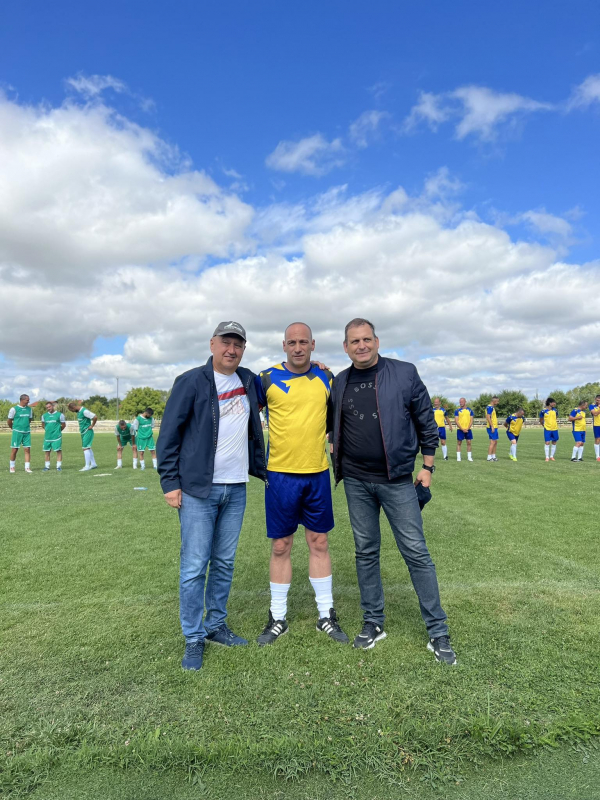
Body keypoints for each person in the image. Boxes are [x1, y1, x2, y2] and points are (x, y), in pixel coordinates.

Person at [328, 318, 456, 665]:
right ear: (345, 347)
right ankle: (373, 622)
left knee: (416, 552)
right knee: (366, 551)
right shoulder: (339, 381)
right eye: (354, 341)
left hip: (397, 480)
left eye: (366, 339)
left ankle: (438, 631)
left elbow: (426, 420)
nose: (361, 345)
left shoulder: (404, 372)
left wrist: (427, 467)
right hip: (356, 481)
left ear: (377, 341)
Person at [157, 321, 267, 671]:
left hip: (236, 488)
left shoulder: (249, 381)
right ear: (212, 344)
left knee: (224, 562)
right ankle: (193, 637)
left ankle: (216, 625)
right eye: (225, 342)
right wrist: (169, 482)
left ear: (243, 349)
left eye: (238, 344)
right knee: (194, 566)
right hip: (197, 489)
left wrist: (317, 366)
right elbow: (169, 435)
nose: (231, 350)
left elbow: (284, 383)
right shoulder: (191, 381)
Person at [255, 322, 349, 647]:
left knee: (319, 542)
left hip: (316, 473)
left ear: (313, 344)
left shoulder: (327, 377)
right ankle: (277, 617)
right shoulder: (266, 379)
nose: (298, 347)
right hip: (279, 475)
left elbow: (339, 418)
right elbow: (242, 413)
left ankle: (326, 614)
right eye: (292, 342)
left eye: (303, 342)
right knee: (281, 545)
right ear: (284, 345)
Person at [67, 402, 98, 471]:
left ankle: (87, 466)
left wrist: (92, 425)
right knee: (88, 448)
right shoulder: (79, 412)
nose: (72, 412)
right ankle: (93, 464)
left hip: (87, 431)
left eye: (71, 410)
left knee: (85, 448)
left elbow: (95, 417)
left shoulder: (84, 411)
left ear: (73, 408)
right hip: (83, 432)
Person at [8, 394, 34, 473]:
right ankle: (12, 467)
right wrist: (13, 428)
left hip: (27, 432)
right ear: (22, 400)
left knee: (27, 449)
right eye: (27, 400)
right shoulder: (14, 409)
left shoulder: (29, 409)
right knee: (14, 450)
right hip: (17, 432)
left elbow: (29, 420)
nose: (28, 401)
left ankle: (27, 468)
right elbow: (9, 421)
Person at [42, 402, 66, 471]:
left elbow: (63, 425)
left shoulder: (60, 415)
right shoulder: (44, 416)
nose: (48, 408)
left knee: (58, 451)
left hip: (57, 437)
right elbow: (43, 425)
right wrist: (48, 430)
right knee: (47, 451)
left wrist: (58, 431)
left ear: (53, 406)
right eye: (47, 407)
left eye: (49, 407)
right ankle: (47, 466)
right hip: (47, 437)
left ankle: (58, 466)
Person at [539, 397, 559, 461]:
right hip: (547, 429)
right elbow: (541, 420)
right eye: (553, 402)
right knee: (547, 442)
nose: (554, 403)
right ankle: (547, 457)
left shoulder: (555, 410)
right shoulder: (543, 411)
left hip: (555, 428)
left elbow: (556, 417)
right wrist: (544, 425)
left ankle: (551, 456)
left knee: (554, 442)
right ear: (550, 403)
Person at [486, 396, 500, 462]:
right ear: (494, 401)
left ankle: (493, 456)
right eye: (497, 401)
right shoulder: (490, 407)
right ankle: (489, 457)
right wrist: (492, 426)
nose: (498, 402)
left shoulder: (492, 408)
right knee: (492, 442)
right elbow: (488, 416)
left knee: (495, 442)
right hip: (492, 427)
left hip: (494, 426)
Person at [589, 394, 600, 461]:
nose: (598, 401)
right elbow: (595, 414)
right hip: (597, 425)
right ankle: (597, 456)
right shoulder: (592, 406)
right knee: (597, 439)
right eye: (597, 400)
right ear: (595, 399)